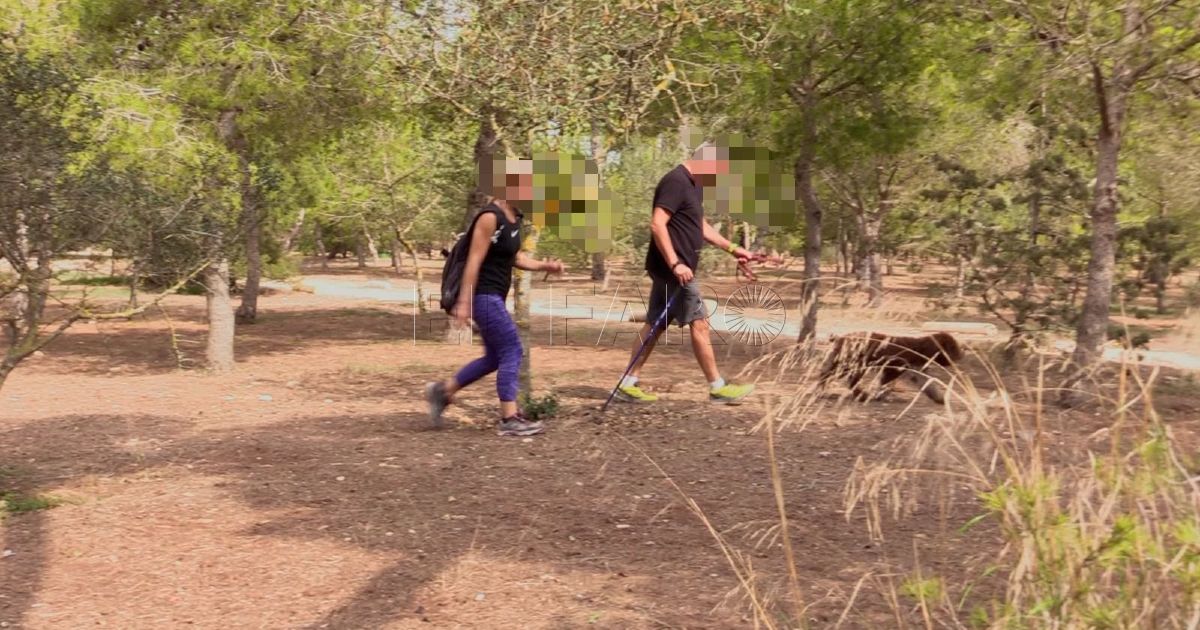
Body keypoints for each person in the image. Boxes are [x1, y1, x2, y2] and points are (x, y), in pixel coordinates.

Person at [425, 158, 564, 436]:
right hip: (481, 294)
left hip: (495, 295)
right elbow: (473, 261)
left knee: (494, 357)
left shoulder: (515, 219)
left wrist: (545, 266)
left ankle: (442, 391)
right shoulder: (490, 217)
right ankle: (509, 418)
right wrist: (464, 302)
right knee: (512, 349)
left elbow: (513, 257)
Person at [616, 142, 761, 404]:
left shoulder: (695, 185)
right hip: (675, 270)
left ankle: (627, 383)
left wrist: (733, 248)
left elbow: (699, 225)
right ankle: (717, 386)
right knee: (700, 323)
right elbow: (657, 224)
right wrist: (675, 263)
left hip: (671, 269)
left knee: (656, 324)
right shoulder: (676, 181)